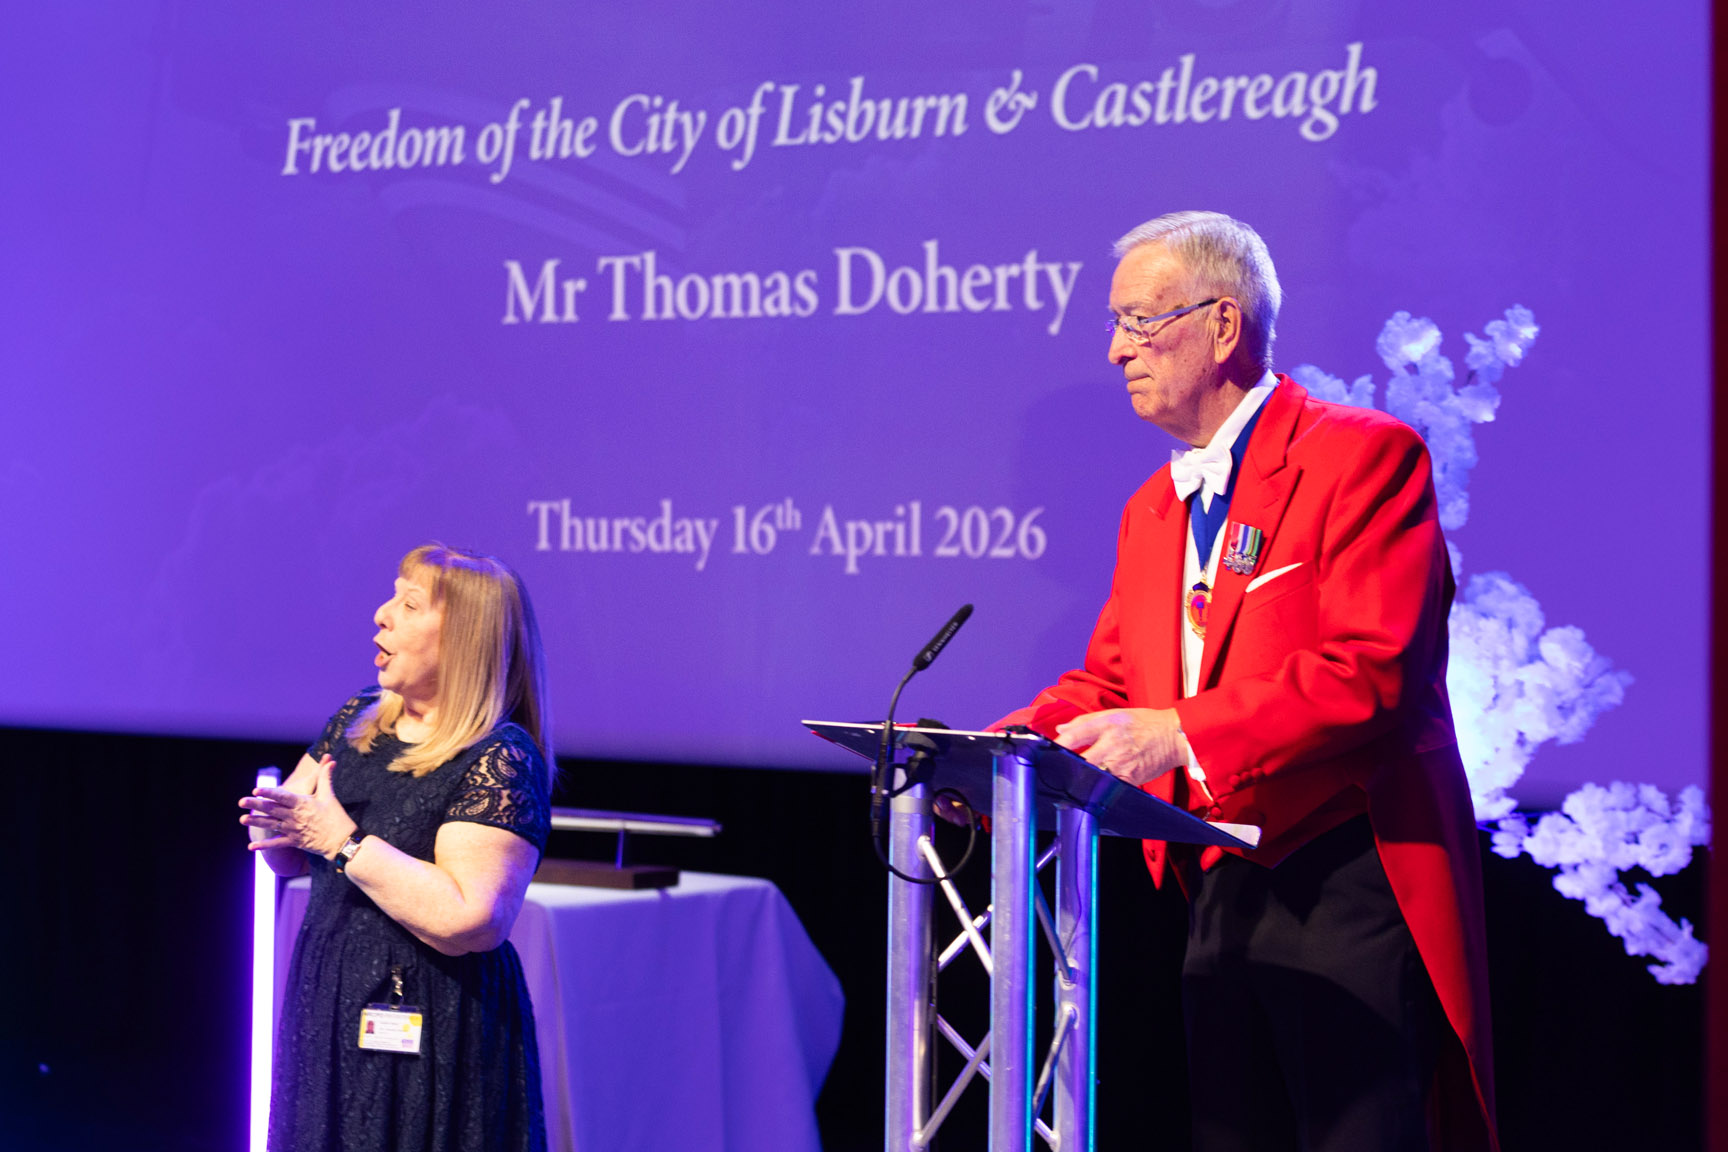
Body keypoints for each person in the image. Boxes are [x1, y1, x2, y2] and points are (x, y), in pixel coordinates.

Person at [994, 211, 1497, 1150]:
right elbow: (1113, 683)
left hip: (1347, 877)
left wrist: (1179, 733)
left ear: (1222, 325)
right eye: (1114, 324)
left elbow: (1371, 669)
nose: (1116, 351)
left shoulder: (1362, 455)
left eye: (1138, 322)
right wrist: (999, 754)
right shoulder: (1154, 506)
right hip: (1216, 887)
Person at [240, 543, 554, 1152]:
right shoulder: (359, 720)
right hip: (329, 1000)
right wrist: (274, 827)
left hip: (435, 1022)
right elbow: (294, 845)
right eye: (392, 597)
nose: (381, 615)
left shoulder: (500, 756)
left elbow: (472, 918)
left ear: (462, 639)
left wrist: (342, 842)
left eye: (408, 605)